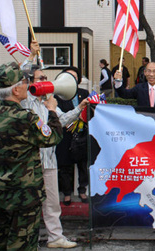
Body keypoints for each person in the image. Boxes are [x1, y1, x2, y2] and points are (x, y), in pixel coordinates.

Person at [0, 62, 63, 250]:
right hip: (24, 194)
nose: (27, 85)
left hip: (1, 190)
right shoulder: (25, 118)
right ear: (16, 90)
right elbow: (53, 137)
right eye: (24, 82)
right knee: (23, 241)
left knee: (1, 235)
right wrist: (51, 111)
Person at [22, 66, 86, 248]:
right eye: (41, 78)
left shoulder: (47, 101)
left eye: (45, 77)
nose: (45, 81)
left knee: (51, 203)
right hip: (30, 163)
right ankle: (28, 239)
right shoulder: (25, 101)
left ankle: (55, 237)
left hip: (49, 160)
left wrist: (79, 109)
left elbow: (62, 121)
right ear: (30, 82)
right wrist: (30, 57)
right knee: (29, 204)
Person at [54, 66, 91, 206]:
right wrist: (69, 125)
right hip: (65, 134)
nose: (72, 79)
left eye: (74, 77)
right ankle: (67, 193)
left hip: (81, 135)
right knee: (65, 165)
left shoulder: (84, 93)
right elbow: (59, 117)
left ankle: (82, 190)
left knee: (83, 164)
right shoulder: (57, 96)